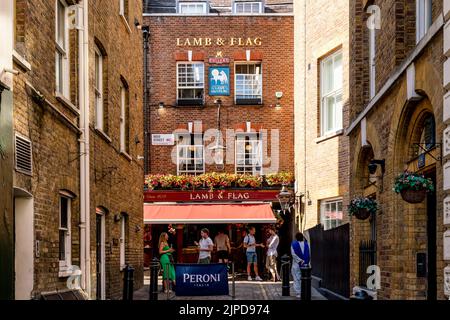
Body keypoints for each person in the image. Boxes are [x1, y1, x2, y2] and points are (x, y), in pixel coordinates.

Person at [291, 232, 311, 298]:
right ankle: (304, 291)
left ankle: (298, 293)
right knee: (304, 279)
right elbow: (309, 253)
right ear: (302, 237)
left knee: (297, 278)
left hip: (297, 264)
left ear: (296, 238)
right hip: (305, 264)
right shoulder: (306, 244)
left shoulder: (293, 244)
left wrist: (300, 260)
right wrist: (307, 262)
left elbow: (293, 254)